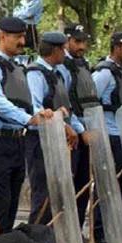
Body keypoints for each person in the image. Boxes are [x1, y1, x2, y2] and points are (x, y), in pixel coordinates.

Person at [0, 17, 48, 236]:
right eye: (17, 37)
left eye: (23, 36)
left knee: (11, 207)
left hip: (18, 141)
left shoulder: (17, 68)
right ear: (2, 37)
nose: (22, 41)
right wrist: (27, 119)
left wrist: (40, 115)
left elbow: (28, 102)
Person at [91, 31, 122, 242]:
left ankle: (118, 226)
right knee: (106, 185)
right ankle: (100, 230)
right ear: (116, 47)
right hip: (109, 135)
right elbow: (91, 103)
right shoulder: (103, 73)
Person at [24, 32, 72, 225]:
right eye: (63, 49)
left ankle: (49, 240)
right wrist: (59, 121)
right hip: (40, 140)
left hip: (56, 137)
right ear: (55, 50)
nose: (65, 54)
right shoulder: (36, 73)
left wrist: (68, 125)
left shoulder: (56, 73)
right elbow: (36, 108)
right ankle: (36, 240)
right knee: (42, 194)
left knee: (55, 193)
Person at [57, 23, 97, 228]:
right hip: (71, 132)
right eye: (77, 41)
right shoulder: (62, 67)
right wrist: (79, 130)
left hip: (87, 130)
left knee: (83, 184)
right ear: (66, 41)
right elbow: (66, 102)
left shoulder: (83, 64)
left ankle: (77, 229)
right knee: (67, 186)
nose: (82, 46)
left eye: (84, 42)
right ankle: (65, 232)